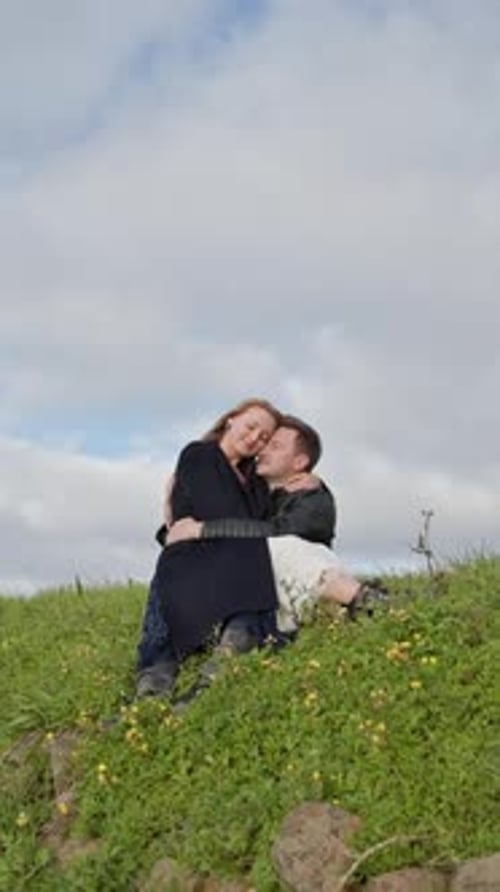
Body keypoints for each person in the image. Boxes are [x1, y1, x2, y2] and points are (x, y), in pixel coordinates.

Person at [167, 415, 382, 635]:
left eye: (275, 446)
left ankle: (371, 601)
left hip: (306, 593)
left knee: (279, 546)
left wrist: (202, 530)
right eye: (265, 444)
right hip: (263, 601)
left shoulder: (313, 498)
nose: (262, 451)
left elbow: (279, 531)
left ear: (299, 462)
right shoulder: (253, 494)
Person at [136, 397, 281, 697]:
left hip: (233, 570)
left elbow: (270, 526)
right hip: (192, 566)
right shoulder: (199, 455)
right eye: (251, 426)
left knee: (258, 560)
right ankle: (154, 685)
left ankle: (222, 664)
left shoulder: (256, 482)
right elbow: (217, 510)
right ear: (231, 420)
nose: (255, 438)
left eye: (265, 437)